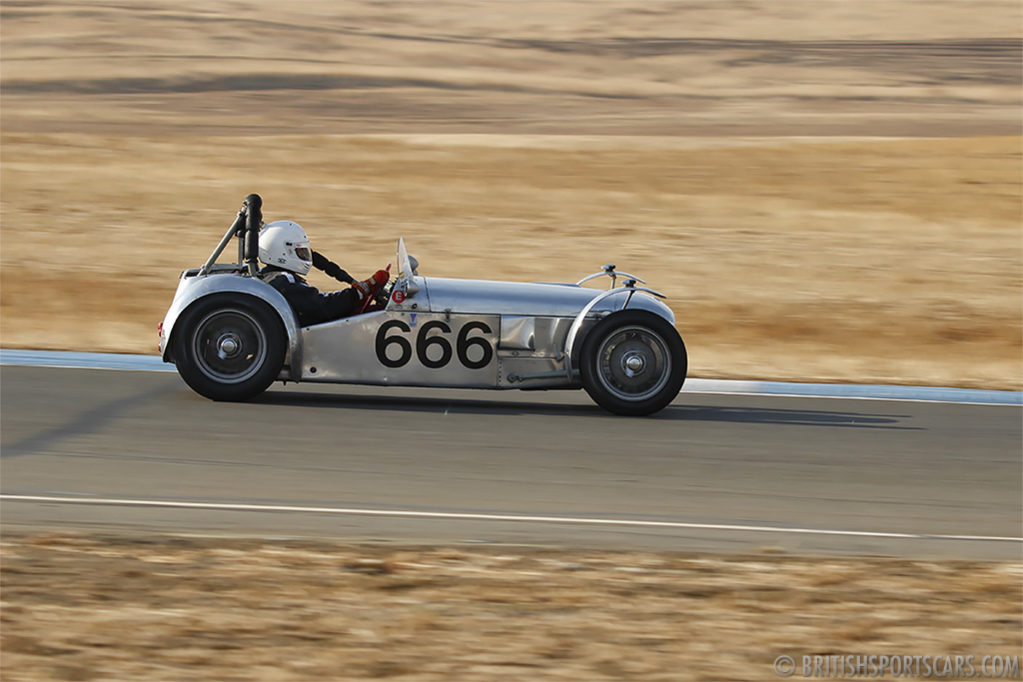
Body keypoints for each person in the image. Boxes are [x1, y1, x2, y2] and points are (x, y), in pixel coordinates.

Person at [257, 220, 389, 326]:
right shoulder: (284, 281)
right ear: (283, 252)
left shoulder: (270, 277)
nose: (305, 256)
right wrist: (358, 292)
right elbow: (324, 306)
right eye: (301, 251)